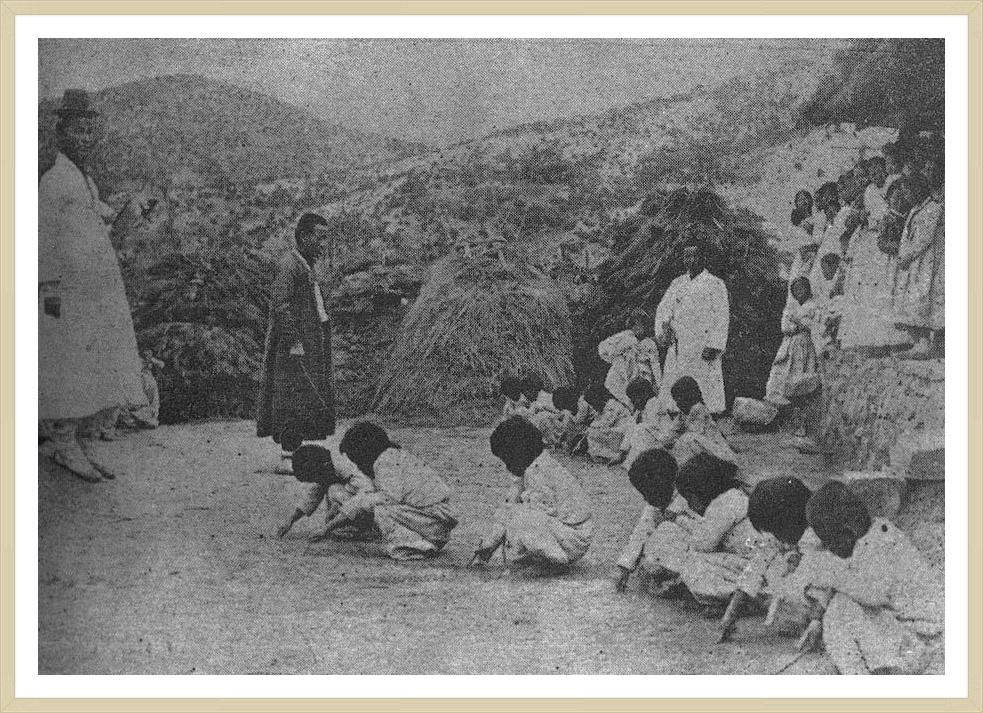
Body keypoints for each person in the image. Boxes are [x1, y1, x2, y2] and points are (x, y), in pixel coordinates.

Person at [38, 89, 148, 483]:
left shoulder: (83, 180)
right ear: (61, 133)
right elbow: (43, 242)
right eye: (78, 130)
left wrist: (127, 214)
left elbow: (95, 218)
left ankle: (83, 443)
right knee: (68, 364)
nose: (86, 138)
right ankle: (64, 443)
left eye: (90, 131)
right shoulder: (53, 182)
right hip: (65, 293)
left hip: (94, 291)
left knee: (93, 364)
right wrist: (50, 298)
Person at [798, 482, 943, 674]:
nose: (831, 549)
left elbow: (873, 594)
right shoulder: (868, 536)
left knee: (841, 607)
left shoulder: (884, 541)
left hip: (920, 639)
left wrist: (830, 575)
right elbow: (847, 583)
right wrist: (817, 620)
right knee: (838, 606)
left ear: (849, 530)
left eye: (831, 542)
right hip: (903, 632)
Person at [256, 213, 336, 472]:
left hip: (309, 345)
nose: (323, 244)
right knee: (290, 399)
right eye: (319, 237)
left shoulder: (305, 266)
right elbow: (281, 306)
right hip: (294, 349)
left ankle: (298, 455)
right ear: (303, 237)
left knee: (305, 399)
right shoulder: (289, 266)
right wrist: (293, 341)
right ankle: (288, 456)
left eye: (326, 238)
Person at [312, 422, 457, 560]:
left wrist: (328, 528)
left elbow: (385, 498)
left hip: (433, 522)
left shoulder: (385, 462)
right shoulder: (393, 455)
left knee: (381, 510)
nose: (357, 464)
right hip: (434, 521)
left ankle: (418, 546)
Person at [474, 416, 594, 569]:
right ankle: (541, 556)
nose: (507, 466)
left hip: (574, 536)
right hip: (565, 532)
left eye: (507, 459)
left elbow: (537, 512)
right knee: (513, 511)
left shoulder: (540, 472)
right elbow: (510, 502)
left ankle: (554, 559)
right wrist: (489, 544)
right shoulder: (533, 466)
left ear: (518, 453)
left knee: (522, 517)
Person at [718, 476, 813, 642]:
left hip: (820, 598)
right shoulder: (775, 540)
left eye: (775, 530)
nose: (773, 536)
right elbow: (752, 573)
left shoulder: (813, 538)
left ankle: (807, 619)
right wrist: (729, 616)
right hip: (798, 600)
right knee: (774, 565)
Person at [838, 156, 911, 351]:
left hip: (887, 238)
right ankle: (867, 338)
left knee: (886, 286)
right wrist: (860, 216)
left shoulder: (893, 185)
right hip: (869, 241)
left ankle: (891, 337)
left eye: (878, 171)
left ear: (884, 169)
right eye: (871, 173)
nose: (874, 176)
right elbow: (853, 220)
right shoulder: (868, 191)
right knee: (866, 288)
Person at [654, 238, 729, 415]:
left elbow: (722, 316)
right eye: (687, 256)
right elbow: (663, 309)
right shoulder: (677, 283)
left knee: (704, 386)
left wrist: (714, 344)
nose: (691, 260)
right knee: (676, 386)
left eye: (695, 256)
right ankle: (676, 416)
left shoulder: (715, 284)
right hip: (680, 344)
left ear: (703, 258)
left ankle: (708, 417)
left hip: (702, 344)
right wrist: (663, 331)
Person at [675, 453, 756, 611]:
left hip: (752, 565)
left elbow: (703, 544)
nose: (689, 504)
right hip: (755, 561)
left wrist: (681, 521)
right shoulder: (733, 496)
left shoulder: (722, 504)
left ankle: (738, 599)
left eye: (690, 498)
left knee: (694, 563)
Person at [894, 152, 945, 359]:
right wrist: (903, 254)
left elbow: (923, 239)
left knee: (924, 299)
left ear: (917, 189)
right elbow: (907, 236)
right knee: (913, 299)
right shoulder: (915, 209)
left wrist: (908, 255)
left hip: (926, 262)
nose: (905, 196)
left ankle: (925, 343)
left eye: (907, 191)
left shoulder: (933, 208)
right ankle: (918, 341)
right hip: (914, 263)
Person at [275, 443, 377, 541]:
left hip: (373, 504)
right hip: (359, 503)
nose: (315, 481)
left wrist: (327, 528)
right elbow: (313, 495)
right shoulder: (326, 464)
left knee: (334, 491)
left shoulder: (345, 466)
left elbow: (364, 498)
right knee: (334, 492)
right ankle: (346, 526)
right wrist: (290, 521)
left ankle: (362, 529)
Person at [614, 448, 679, 592]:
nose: (645, 498)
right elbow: (641, 530)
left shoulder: (686, 499)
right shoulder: (657, 498)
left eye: (647, 492)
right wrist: (625, 566)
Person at [765, 277, 820, 413]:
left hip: (805, 343)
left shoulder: (813, 306)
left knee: (802, 371)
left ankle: (799, 404)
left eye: (802, 288)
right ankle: (779, 401)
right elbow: (785, 327)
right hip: (789, 343)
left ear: (808, 289)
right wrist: (797, 326)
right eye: (795, 289)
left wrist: (799, 322)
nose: (798, 291)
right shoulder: (790, 307)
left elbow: (813, 325)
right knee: (782, 369)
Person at [668, 376, 738, 469]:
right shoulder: (683, 413)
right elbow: (672, 432)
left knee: (687, 439)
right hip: (709, 453)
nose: (677, 404)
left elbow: (694, 433)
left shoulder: (698, 409)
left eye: (679, 399)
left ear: (688, 397)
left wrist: (673, 441)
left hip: (722, 457)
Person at [597, 309, 661, 407]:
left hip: (642, 377)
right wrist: (622, 349)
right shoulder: (624, 337)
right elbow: (603, 349)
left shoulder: (649, 344)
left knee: (643, 401)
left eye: (644, 324)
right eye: (639, 324)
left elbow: (655, 364)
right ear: (633, 325)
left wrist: (658, 384)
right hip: (623, 375)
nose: (642, 328)